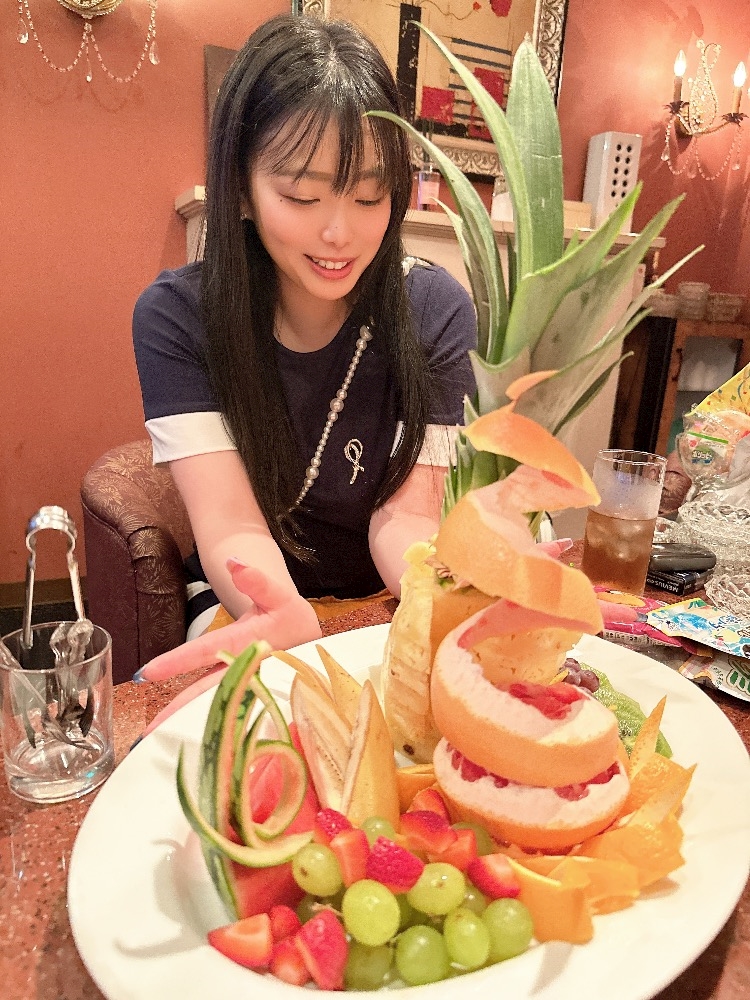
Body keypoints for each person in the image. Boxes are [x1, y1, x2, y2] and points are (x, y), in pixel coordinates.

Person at [131, 13, 477, 692]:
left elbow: (408, 515)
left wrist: (446, 598)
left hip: (382, 600)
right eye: (301, 195)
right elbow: (230, 523)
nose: (339, 233)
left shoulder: (434, 311)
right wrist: (282, 611)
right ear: (241, 186)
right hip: (248, 601)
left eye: (370, 195)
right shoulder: (179, 319)